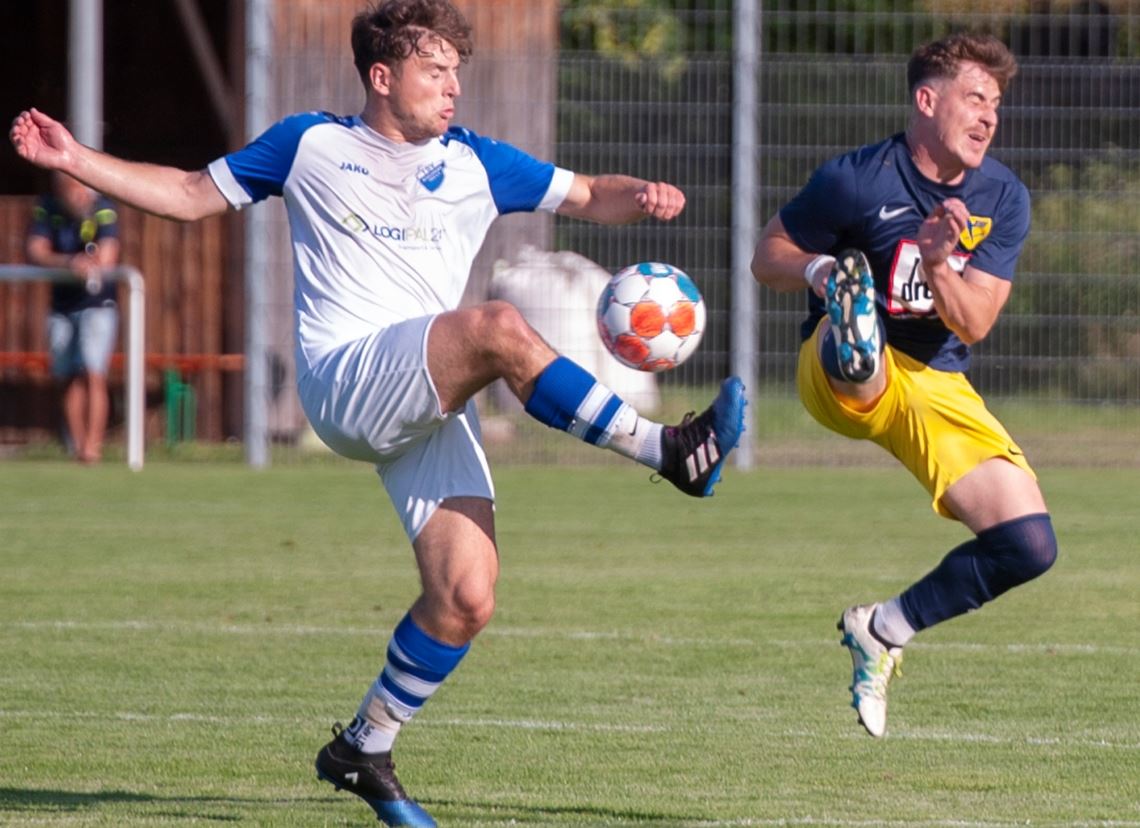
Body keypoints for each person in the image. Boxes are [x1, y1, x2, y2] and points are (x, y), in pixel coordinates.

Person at [11, 1, 745, 824]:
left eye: (456, 72)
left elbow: (585, 195)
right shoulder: (310, 144)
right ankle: (668, 450)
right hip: (347, 379)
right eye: (436, 71)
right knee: (497, 329)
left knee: (466, 597)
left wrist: (638, 195)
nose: (453, 87)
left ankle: (363, 746)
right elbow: (187, 193)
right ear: (383, 76)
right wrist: (77, 157)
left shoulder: (477, 161)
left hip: (425, 395)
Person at [751, 31, 1057, 739]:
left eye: (997, 105)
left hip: (936, 383)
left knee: (1029, 545)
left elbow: (975, 322)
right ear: (927, 100)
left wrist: (939, 261)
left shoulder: (1001, 196)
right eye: (976, 98)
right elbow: (769, 253)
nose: (990, 117)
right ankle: (852, 322)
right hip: (843, 369)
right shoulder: (857, 179)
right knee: (858, 323)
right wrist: (820, 273)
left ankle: (883, 630)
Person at [25, 170, 121, 464]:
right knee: (66, 376)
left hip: (97, 304)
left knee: (94, 372)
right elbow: (35, 250)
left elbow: (107, 257)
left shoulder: (102, 209)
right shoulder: (47, 207)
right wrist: (68, 262)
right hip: (61, 305)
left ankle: (93, 447)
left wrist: (89, 261)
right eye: (68, 188)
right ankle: (77, 447)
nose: (77, 193)